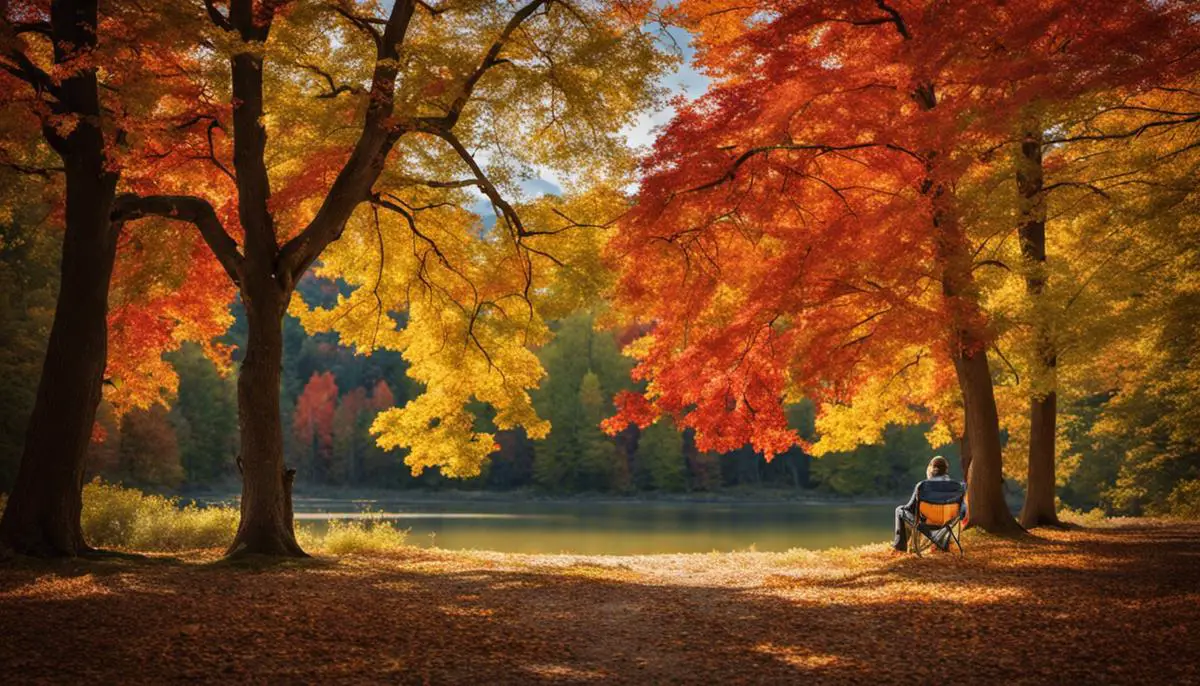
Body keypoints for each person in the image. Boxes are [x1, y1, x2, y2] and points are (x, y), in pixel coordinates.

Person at [891, 455, 963, 552]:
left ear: (931, 469)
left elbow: (910, 508)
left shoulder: (923, 485)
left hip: (927, 522)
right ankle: (942, 545)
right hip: (948, 521)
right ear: (946, 470)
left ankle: (899, 547)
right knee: (939, 514)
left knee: (900, 510)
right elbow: (961, 509)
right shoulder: (957, 486)